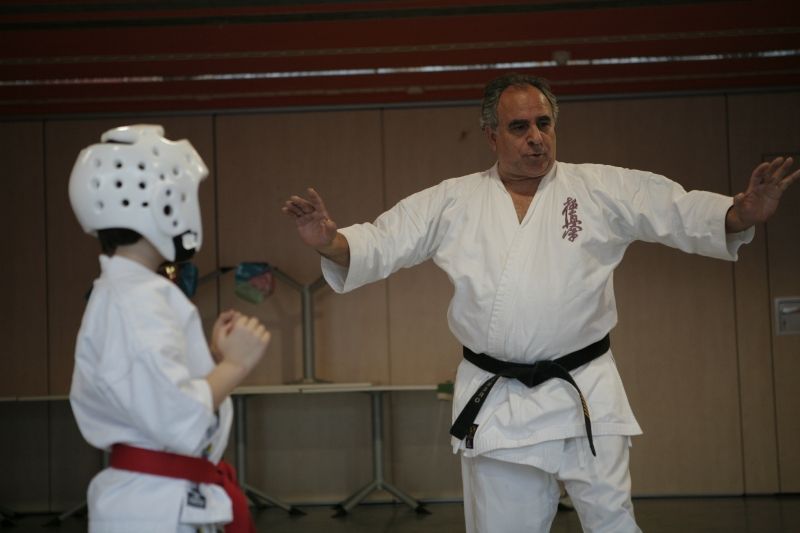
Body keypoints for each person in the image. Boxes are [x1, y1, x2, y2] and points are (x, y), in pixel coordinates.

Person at [282, 73, 799, 533]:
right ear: (490, 135)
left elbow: (675, 210)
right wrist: (330, 240)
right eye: (519, 127)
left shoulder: (598, 187)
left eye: (544, 123)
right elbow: (383, 241)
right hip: (499, 399)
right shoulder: (452, 200)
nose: (536, 138)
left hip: (586, 392)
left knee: (614, 522)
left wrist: (740, 213)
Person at [69, 124, 271, 533]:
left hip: (156, 501)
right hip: (154, 509)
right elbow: (176, 419)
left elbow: (156, 392)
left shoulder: (131, 291)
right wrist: (234, 366)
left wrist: (211, 361)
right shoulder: (134, 299)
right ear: (163, 203)